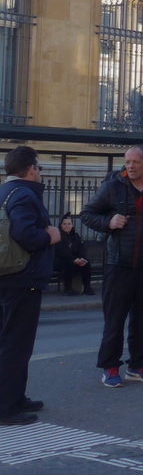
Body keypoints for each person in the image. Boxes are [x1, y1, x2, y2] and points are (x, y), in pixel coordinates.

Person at [81, 145, 143, 388]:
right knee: (114, 320)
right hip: (118, 265)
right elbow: (86, 214)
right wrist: (108, 221)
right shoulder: (113, 187)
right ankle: (110, 368)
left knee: (142, 320)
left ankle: (138, 366)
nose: (130, 166)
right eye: (127, 162)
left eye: (135, 162)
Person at [0, 145, 61, 426]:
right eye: (38, 167)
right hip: (21, 278)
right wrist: (49, 236)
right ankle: (6, 407)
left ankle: (15, 396)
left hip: (6, 274)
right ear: (30, 169)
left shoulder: (4, 191)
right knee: (17, 342)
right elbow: (26, 234)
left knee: (10, 340)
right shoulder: (24, 194)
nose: (39, 172)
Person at [53, 213, 93, 295]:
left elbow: (82, 248)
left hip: (76, 260)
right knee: (68, 263)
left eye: (69, 224)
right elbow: (62, 251)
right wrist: (74, 259)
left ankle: (87, 288)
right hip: (59, 261)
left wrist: (82, 258)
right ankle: (68, 289)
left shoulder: (76, 236)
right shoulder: (57, 235)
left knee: (86, 262)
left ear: (72, 225)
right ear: (60, 225)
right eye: (64, 224)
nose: (67, 226)